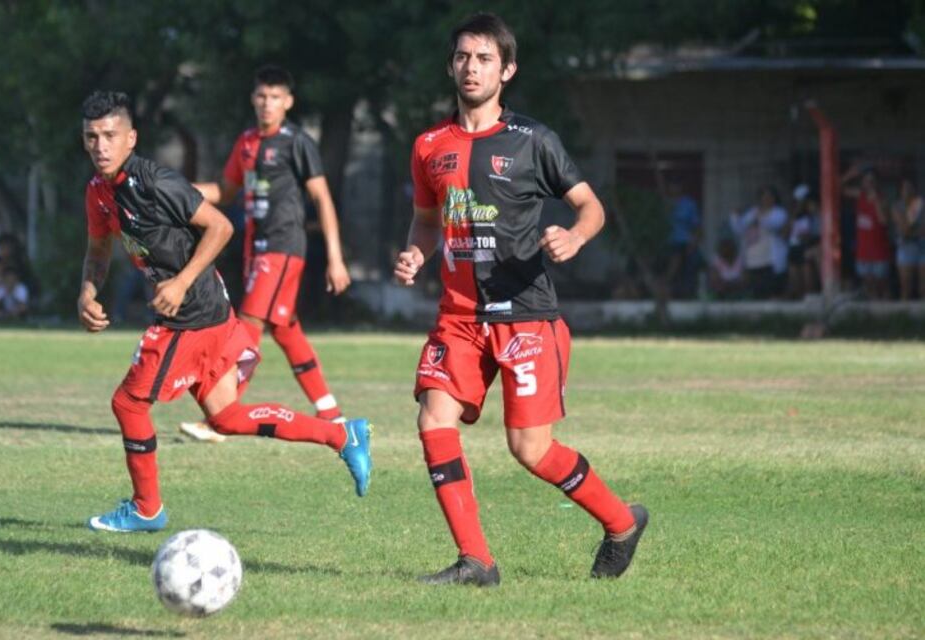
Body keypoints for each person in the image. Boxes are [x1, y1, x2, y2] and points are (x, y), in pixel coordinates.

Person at [393, 13, 647, 587]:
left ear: (506, 70)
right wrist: (416, 253)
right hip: (458, 317)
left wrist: (574, 236)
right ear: (450, 65)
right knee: (434, 417)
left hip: (526, 317)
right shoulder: (429, 145)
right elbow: (427, 221)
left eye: (484, 58)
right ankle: (476, 561)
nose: (471, 67)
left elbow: (591, 207)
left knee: (530, 449)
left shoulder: (534, 141)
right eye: (462, 56)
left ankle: (621, 522)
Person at [77, 90, 372, 533]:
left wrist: (180, 281)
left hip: (190, 314)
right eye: (92, 137)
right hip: (204, 312)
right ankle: (342, 434)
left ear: (131, 138)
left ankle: (146, 509)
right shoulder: (99, 192)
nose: (101, 146)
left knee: (128, 403)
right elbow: (98, 249)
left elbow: (221, 226)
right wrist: (86, 292)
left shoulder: (157, 182)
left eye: (110, 136)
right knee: (227, 417)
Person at [180, 65, 352, 443]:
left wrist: (336, 259)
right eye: (261, 96)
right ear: (253, 98)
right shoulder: (245, 143)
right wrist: (177, 189)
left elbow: (322, 198)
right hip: (254, 251)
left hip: (283, 248)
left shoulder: (297, 142)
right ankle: (332, 414)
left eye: (275, 97)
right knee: (286, 331)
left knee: (248, 327)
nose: (267, 104)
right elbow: (225, 192)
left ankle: (220, 417)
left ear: (288, 102)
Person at [729, 186, 788, 299]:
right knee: (757, 291)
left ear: (774, 198)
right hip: (753, 258)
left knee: (771, 290)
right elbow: (740, 229)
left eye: (769, 197)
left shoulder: (779, 213)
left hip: (770, 259)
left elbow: (773, 225)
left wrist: (761, 216)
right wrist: (735, 217)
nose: (766, 199)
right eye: (764, 197)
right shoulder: (753, 212)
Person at [842, 168, 890, 299]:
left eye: (872, 181)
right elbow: (839, 188)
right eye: (867, 181)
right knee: (868, 285)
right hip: (863, 250)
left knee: (882, 285)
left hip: (879, 250)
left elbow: (884, 221)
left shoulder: (882, 199)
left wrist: (876, 202)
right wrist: (849, 175)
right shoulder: (860, 195)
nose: (869, 184)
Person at [663, 182, 702, 299]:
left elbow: (697, 226)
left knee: (689, 264)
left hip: (685, 242)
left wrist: (694, 243)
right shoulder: (665, 203)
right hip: (667, 243)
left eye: (676, 186)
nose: (674, 188)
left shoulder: (689, 204)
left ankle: (688, 293)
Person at [891, 177, 924, 300]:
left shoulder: (921, 204)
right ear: (900, 190)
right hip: (905, 247)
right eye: (905, 188)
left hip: (922, 247)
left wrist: (909, 229)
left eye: (910, 188)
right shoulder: (896, 206)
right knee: (906, 287)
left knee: (923, 287)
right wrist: (913, 229)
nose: (908, 191)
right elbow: (904, 229)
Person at [786, 184, 820, 299]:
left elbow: (815, 234)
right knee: (795, 280)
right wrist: (793, 215)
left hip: (805, 247)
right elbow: (786, 233)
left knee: (808, 281)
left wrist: (806, 237)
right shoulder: (793, 215)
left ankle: (810, 299)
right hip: (793, 247)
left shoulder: (812, 215)